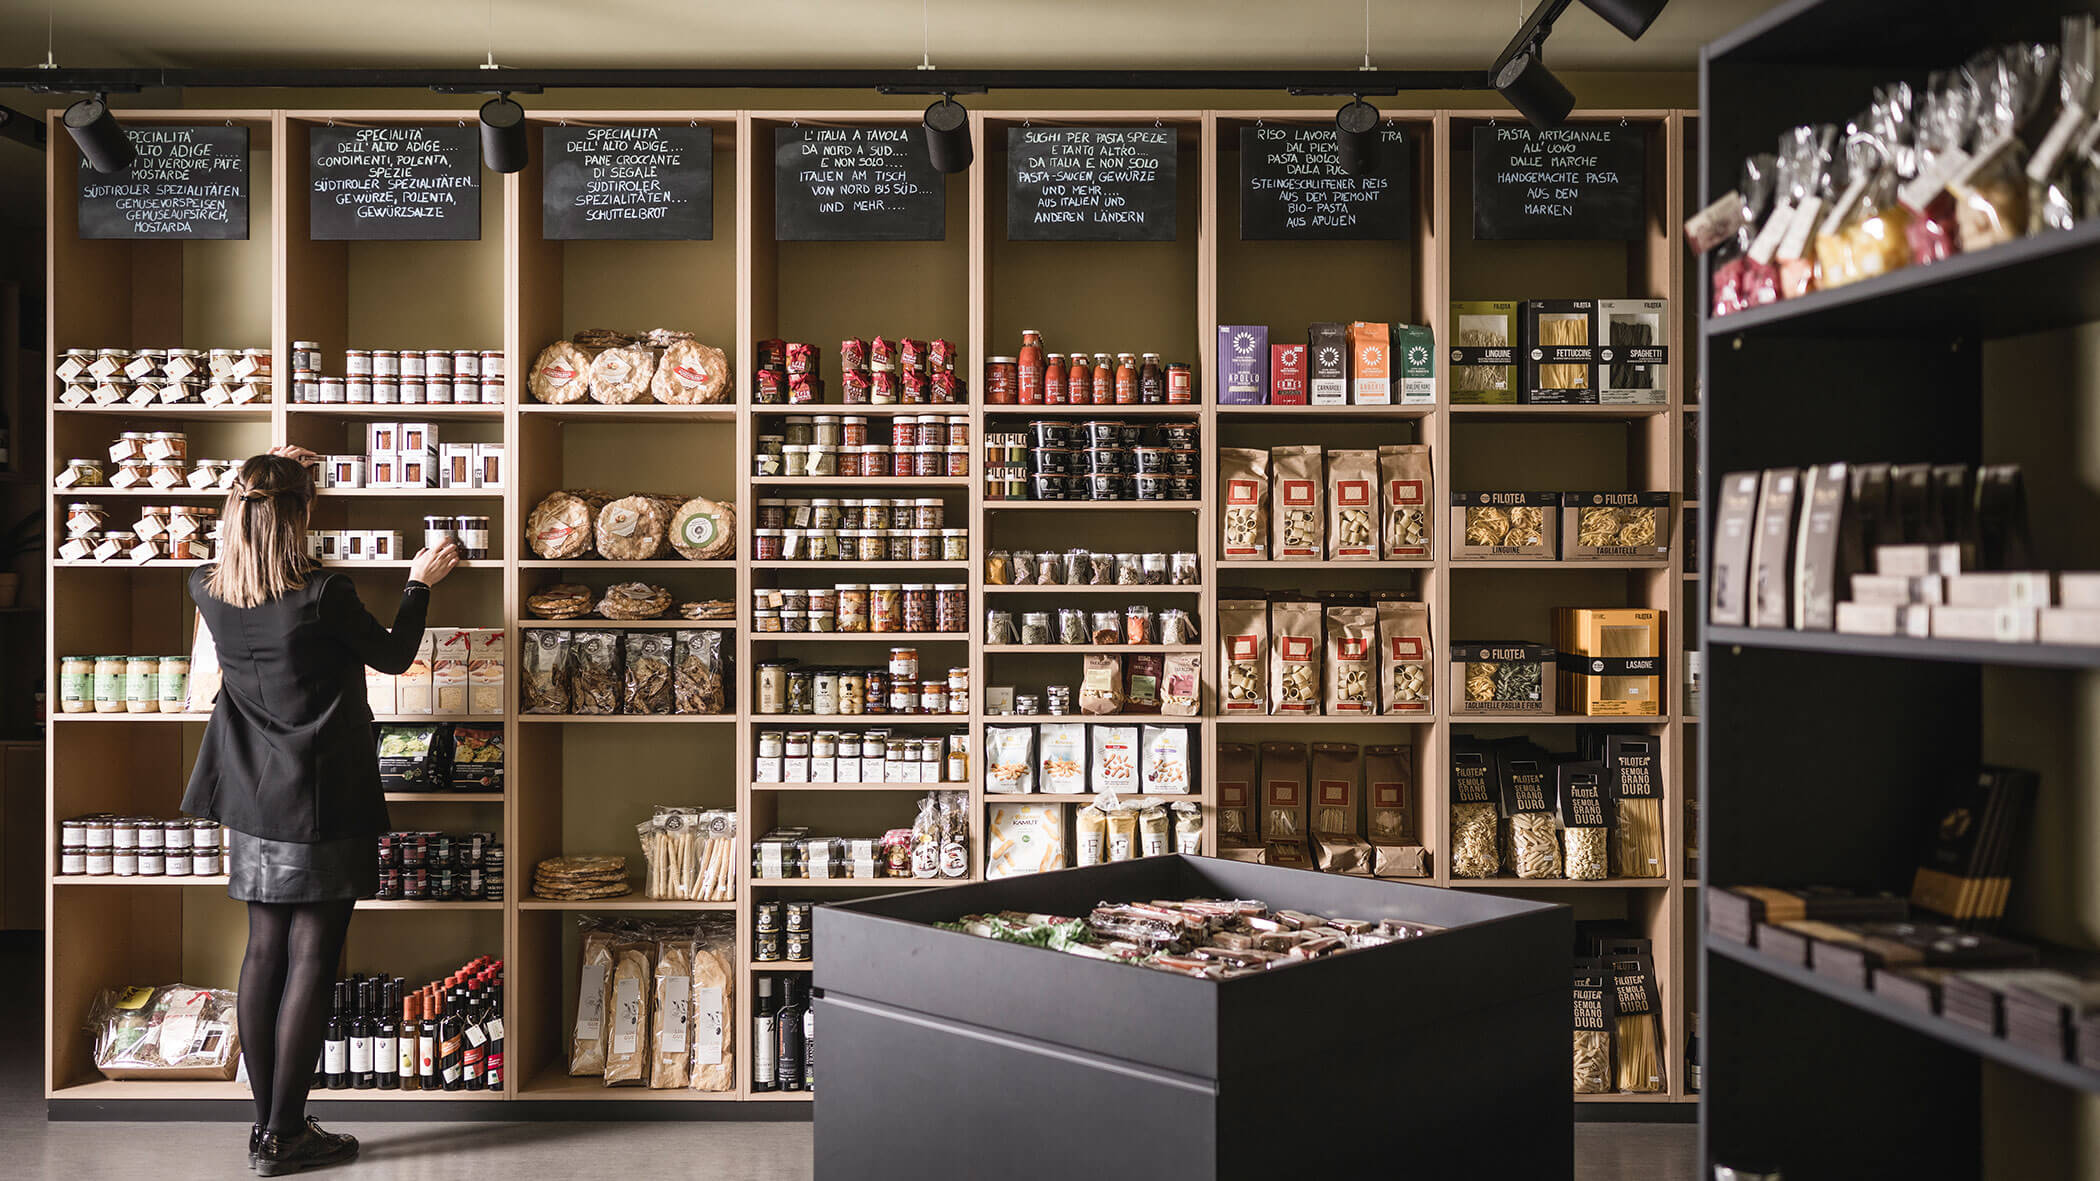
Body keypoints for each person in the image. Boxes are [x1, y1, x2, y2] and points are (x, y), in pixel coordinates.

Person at [181, 447, 458, 1175]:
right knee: (313, 956)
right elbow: (396, 656)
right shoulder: (323, 592)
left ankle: (268, 1124)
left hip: (249, 795)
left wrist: (278, 467)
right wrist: (418, 582)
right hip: (322, 794)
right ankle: (285, 1134)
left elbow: (257, 507)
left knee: (264, 951)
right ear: (301, 516)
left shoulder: (207, 587)